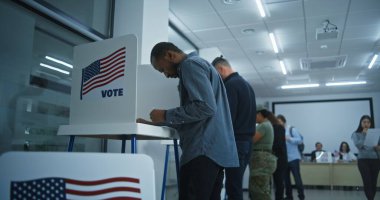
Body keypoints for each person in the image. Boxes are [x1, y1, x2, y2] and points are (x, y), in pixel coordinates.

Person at [136, 42, 239, 200]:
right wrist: (157, 123)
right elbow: (201, 115)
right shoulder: (202, 65)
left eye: (162, 69)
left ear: (170, 55)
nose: (165, 75)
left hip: (201, 152)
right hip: (214, 152)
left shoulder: (189, 65)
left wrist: (165, 115)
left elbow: (205, 107)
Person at [211, 56, 256, 200]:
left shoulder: (230, 85)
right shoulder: (246, 85)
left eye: (215, 74)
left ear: (221, 69)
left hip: (236, 143)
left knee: (233, 188)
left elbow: (226, 117)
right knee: (235, 186)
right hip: (247, 143)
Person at [249, 105, 277, 200]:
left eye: (254, 115)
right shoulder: (267, 124)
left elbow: (252, 140)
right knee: (262, 188)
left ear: (260, 114)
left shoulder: (263, 126)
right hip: (264, 160)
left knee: (260, 190)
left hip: (261, 160)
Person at [351, 115, 380, 200]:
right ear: (361, 123)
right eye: (364, 122)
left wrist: (378, 147)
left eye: (368, 122)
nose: (366, 124)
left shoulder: (376, 133)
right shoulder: (355, 134)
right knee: (367, 181)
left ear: (371, 124)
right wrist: (364, 134)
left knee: (373, 182)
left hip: (376, 160)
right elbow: (359, 146)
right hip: (363, 161)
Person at [277, 114, 305, 200]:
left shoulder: (291, 129)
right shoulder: (278, 131)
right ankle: (289, 197)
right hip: (284, 159)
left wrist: (289, 139)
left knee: (297, 179)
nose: (278, 123)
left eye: (279, 121)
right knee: (286, 180)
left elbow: (300, 140)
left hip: (294, 158)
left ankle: (301, 197)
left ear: (283, 120)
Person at [267, 112, 287, 200]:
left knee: (278, 182)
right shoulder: (271, 128)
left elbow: (278, 144)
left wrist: (266, 146)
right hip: (271, 158)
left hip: (279, 159)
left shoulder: (279, 128)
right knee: (268, 183)